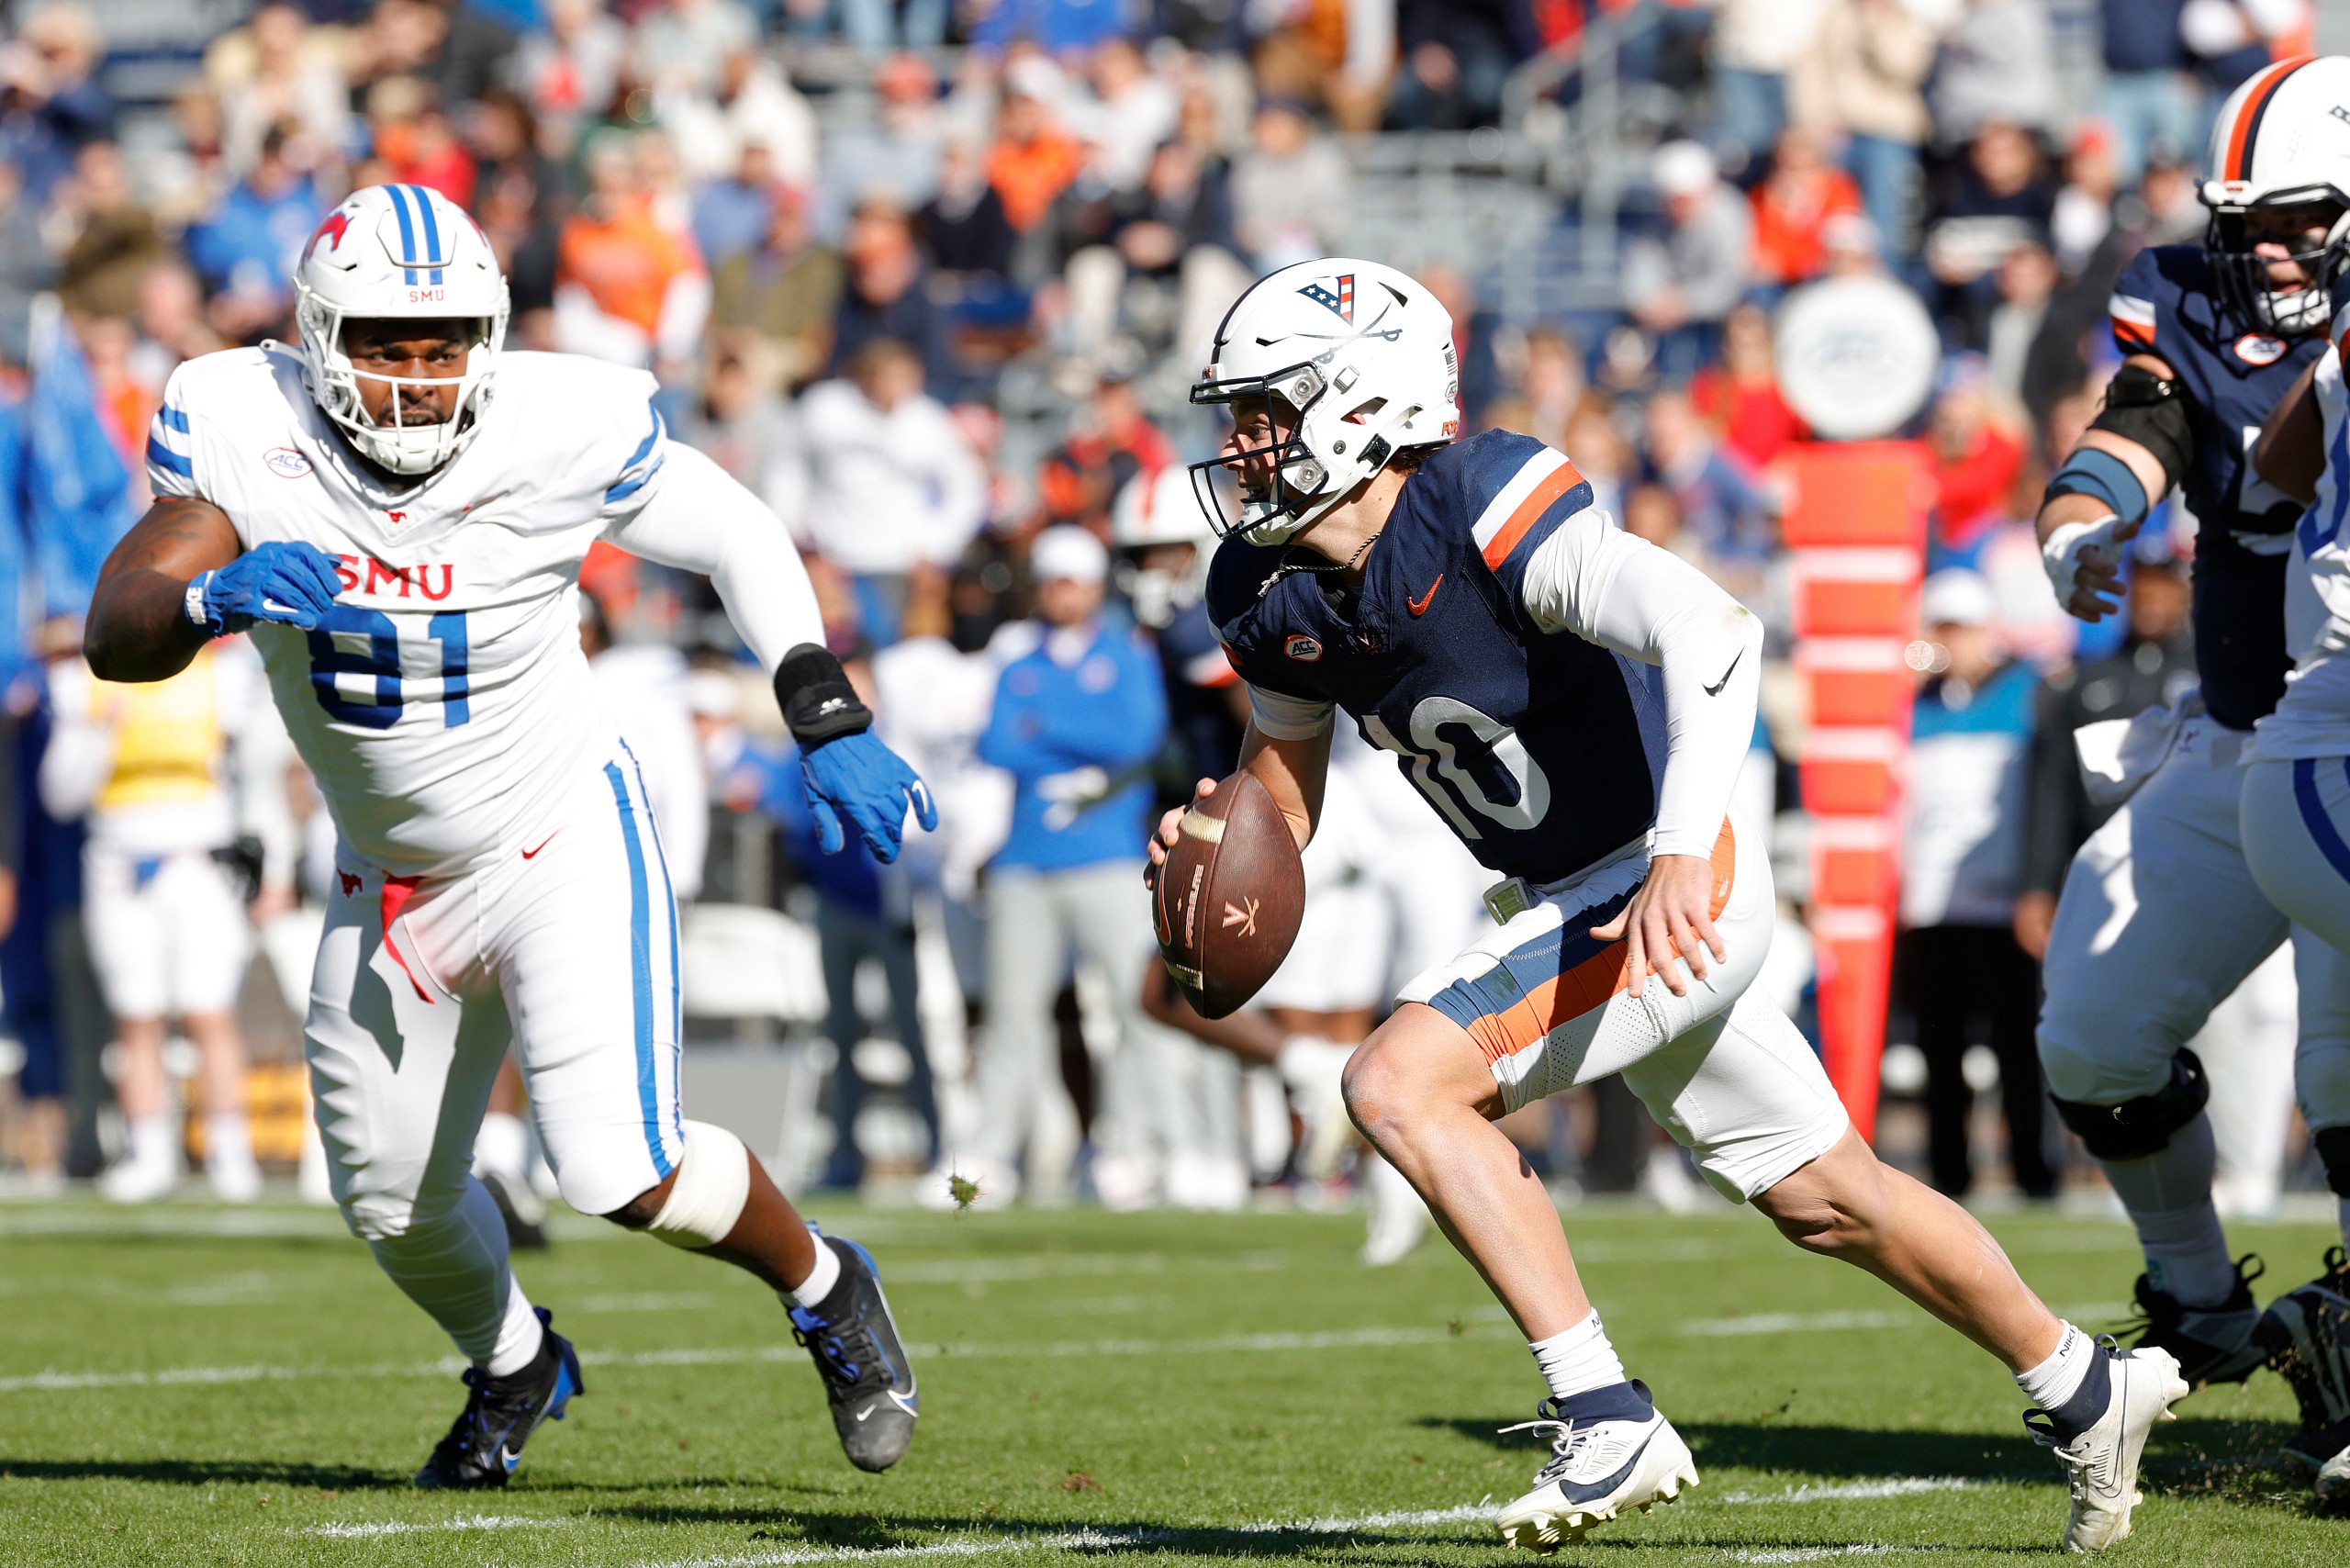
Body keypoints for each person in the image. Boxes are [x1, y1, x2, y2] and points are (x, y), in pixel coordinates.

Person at [1159, 257, 2182, 1553]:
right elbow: (1282, 798)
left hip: (1663, 881)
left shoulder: (1479, 499)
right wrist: (1215, 850)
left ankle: (1605, 1411)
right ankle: (2090, 1387)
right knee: (1826, 1194)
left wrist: (1683, 853)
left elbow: (1715, 630)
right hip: (1579, 894)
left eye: (1267, 410)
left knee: (1400, 1086)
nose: (1240, 444)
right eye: (1237, 416)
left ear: (1364, 401)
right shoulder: (1268, 593)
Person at [89, 184, 932, 1487]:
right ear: (318, 338)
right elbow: (120, 622)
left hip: (555, 836)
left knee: (616, 1165)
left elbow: (732, 530)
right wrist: (204, 594)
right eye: (385, 343)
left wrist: (821, 707)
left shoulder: (557, 421)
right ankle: (516, 1365)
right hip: (388, 880)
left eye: (442, 346)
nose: (419, 378)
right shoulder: (241, 420)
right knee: (389, 1207)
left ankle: (828, 1286)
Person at [2032, 59, 2347, 1436]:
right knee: (2095, 1030)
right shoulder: (2203, 308)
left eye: (2298, 218)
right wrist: (2083, 518)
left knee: (2340, 1084)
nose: (2265, 250)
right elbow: (2149, 420)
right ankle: (2200, 1301)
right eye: (2249, 223)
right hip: (2240, 739)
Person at [947, 526, 1173, 1210]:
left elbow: (1137, 737)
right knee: (1012, 1017)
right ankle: (988, 1158)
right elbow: (994, 743)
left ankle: (1132, 1150)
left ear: (1094, 585)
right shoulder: (1019, 659)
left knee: (1135, 1010)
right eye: (1050, 581)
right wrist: (1077, 737)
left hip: (1107, 858)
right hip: (1027, 860)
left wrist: (1043, 726)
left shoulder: (1125, 653)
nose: (1060, 593)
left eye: (1071, 581)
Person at [39, 633, 292, 1203]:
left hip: (198, 864)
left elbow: (256, 778)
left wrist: (271, 867)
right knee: (137, 1016)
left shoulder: (221, 675)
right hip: (117, 865)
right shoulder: (88, 679)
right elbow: (61, 794)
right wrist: (100, 731)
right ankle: (150, 1153)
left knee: (209, 1012)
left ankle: (230, 1151)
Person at [1896, 569, 2056, 1200]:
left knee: (2020, 1047)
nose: (1950, 641)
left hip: (2005, 905)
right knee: (1942, 1050)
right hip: (1931, 906)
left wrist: (2037, 887)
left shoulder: (2029, 693)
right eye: (1941, 628)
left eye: (1960, 628)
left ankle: (2035, 1174)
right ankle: (1948, 1177)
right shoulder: (1917, 704)